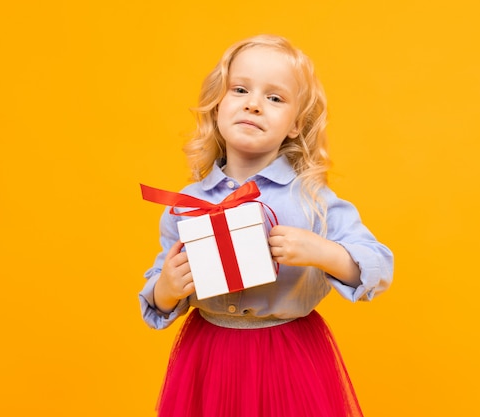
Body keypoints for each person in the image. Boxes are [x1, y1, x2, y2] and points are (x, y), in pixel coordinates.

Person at [139, 34, 394, 417]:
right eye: (240, 89)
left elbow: (379, 265)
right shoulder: (187, 204)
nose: (254, 105)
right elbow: (158, 298)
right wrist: (167, 288)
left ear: (296, 124)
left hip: (288, 355)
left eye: (275, 98)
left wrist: (325, 253)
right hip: (208, 357)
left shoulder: (313, 200)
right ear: (216, 105)